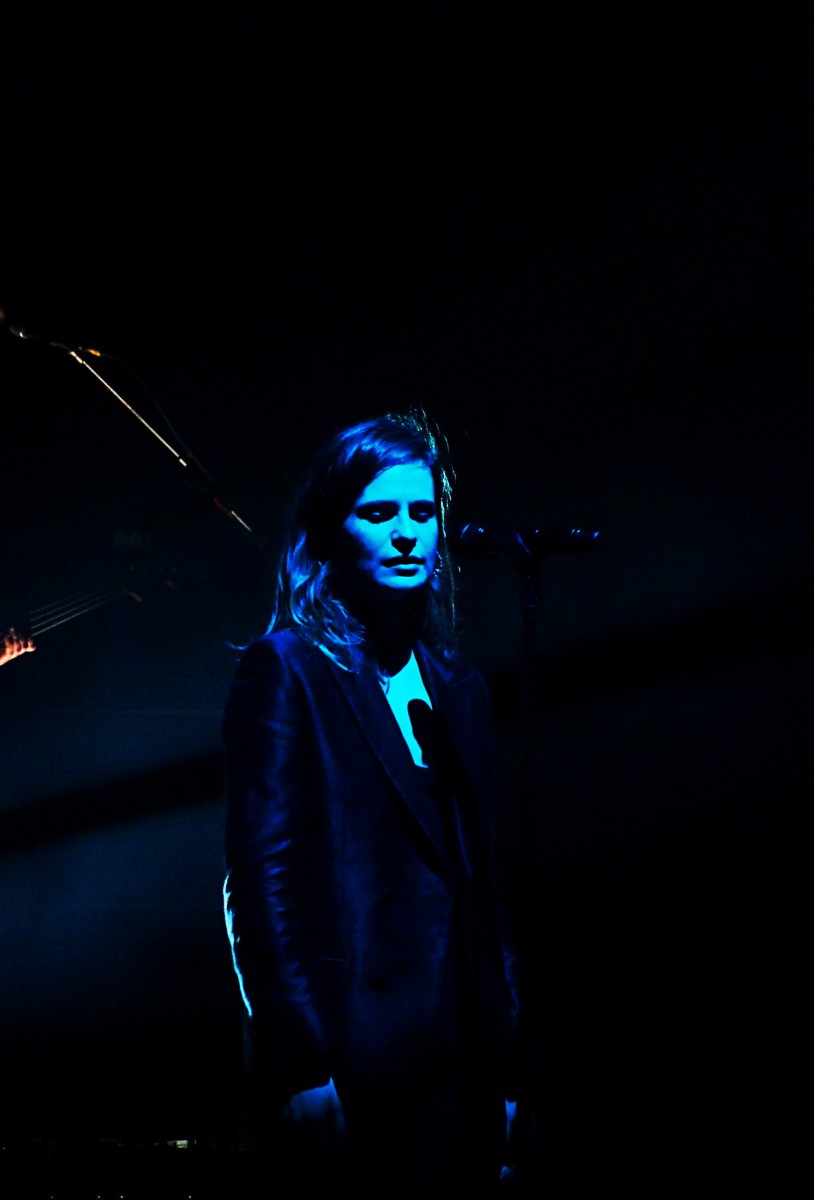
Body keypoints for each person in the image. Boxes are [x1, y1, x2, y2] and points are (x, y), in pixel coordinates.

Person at [223, 409, 523, 1197]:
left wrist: (507, 1063)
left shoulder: (460, 689)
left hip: (460, 1064)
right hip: (353, 1059)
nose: (406, 534)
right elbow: (260, 881)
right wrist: (299, 1059)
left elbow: (487, 893)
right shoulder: (288, 670)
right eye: (379, 512)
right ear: (332, 530)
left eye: (422, 513)